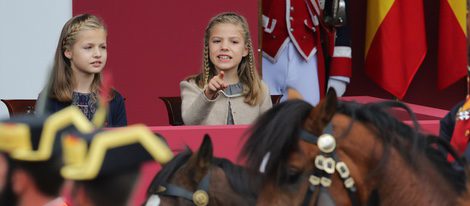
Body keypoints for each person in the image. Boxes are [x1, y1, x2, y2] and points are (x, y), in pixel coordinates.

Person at [180, 12, 272, 125]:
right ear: (208, 48)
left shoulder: (260, 89)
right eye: (217, 41)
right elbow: (190, 122)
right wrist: (208, 94)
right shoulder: (192, 86)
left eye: (234, 42)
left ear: (245, 50)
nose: (224, 47)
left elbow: (269, 134)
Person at [41, 13, 127, 127]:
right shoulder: (51, 99)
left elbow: (121, 142)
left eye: (102, 47)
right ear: (68, 51)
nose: (97, 54)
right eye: (88, 47)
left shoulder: (115, 100)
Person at [262, 0, 352, 105]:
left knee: (308, 117)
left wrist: (339, 73)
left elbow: (338, 17)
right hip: (264, 54)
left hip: (308, 54)